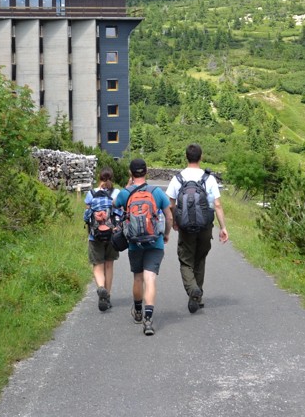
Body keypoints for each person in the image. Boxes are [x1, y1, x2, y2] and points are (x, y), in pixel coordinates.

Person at [165, 143, 229, 313]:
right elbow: (217, 204)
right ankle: (197, 295)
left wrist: (174, 223)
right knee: (200, 259)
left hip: (185, 227)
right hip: (205, 226)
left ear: (186, 157)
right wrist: (223, 228)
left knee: (185, 260)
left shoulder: (177, 178)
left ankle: (193, 290)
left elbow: (170, 204)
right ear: (201, 157)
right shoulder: (209, 178)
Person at [114, 158, 173, 336]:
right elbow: (169, 216)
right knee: (150, 279)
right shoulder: (156, 192)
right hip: (155, 241)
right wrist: (167, 233)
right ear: (146, 171)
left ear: (130, 173)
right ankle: (148, 319)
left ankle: (138, 311)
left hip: (134, 243)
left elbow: (115, 207)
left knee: (138, 278)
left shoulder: (125, 193)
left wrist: (127, 186)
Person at [84, 167, 121, 312]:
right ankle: (108, 295)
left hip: (95, 235)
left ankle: (100, 288)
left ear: (99, 178)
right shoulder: (116, 193)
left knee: (97, 265)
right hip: (112, 234)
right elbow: (120, 213)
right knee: (109, 265)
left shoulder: (91, 194)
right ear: (112, 177)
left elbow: (87, 215)